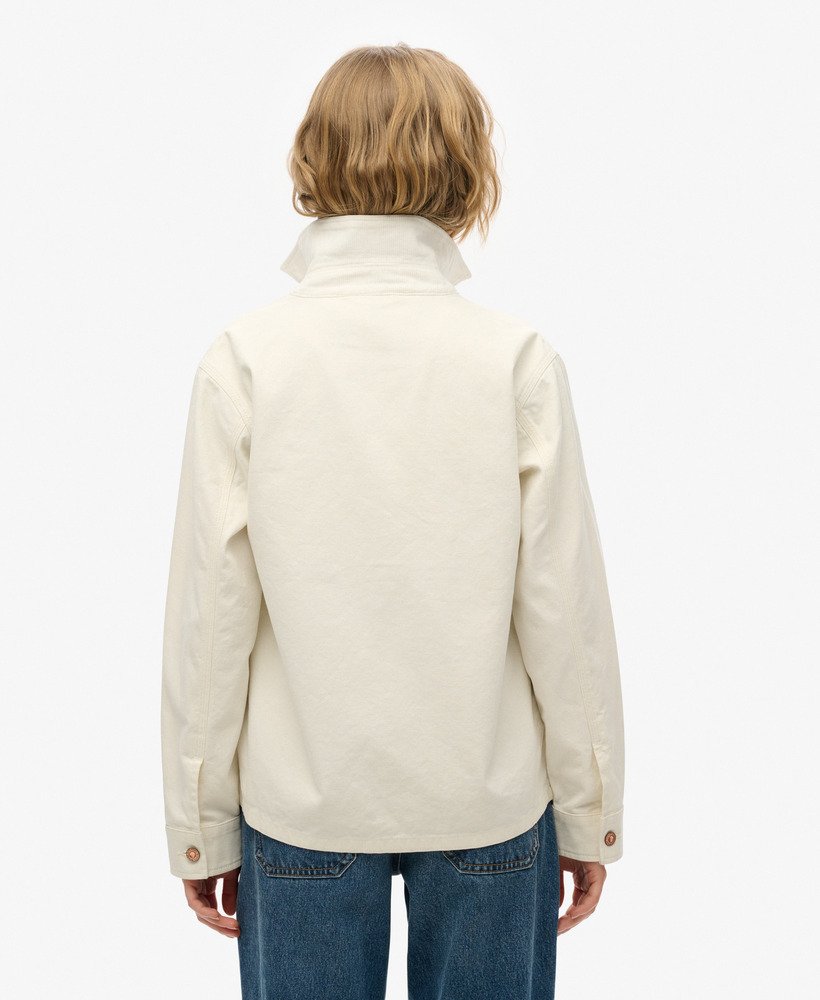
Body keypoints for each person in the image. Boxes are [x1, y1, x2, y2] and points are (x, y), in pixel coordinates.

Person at [160, 42, 626, 1000]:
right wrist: (590, 813)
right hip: (489, 803)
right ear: (466, 168)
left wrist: (199, 821)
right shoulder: (513, 360)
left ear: (313, 159)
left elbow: (211, 620)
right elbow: (564, 615)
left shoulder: (248, 359)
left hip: (303, 806)